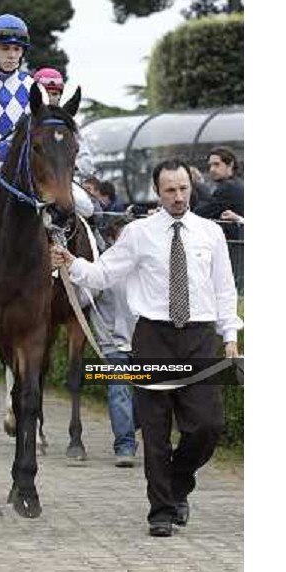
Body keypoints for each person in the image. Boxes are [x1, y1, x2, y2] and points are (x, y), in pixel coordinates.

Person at [51, 158, 242, 538]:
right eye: (170, 190)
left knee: (208, 426)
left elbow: (224, 289)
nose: (178, 197)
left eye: (184, 189)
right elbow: (103, 273)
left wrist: (231, 337)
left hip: (201, 338)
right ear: (158, 192)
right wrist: (72, 263)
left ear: (191, 187)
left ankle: (177, 480)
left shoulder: (210, 233)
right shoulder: (139, 233)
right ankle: (161, 512)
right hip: (153, 337)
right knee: (155, 431)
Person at [0, 15, 93, 240]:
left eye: (17, 49)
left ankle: (87, 244)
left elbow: (48, 135)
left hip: (30, 168)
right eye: (5, 48)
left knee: (84, 204)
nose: (12, 55)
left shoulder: (35, 89)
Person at [90, 217, 137, 467]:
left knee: (148, 395)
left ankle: (129, 424)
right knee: (119, 392)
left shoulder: (147, 263)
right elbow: (83, 297)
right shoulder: (103, 267)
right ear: (112, 240)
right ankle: (125, 446)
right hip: (112, 342)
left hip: (146, 343)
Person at [33, 67, 96, 179]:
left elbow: (88, 165)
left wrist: (66, 166)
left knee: (82, 197)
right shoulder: (23, 120)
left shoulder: (70, 124)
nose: (50, 98)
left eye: (55, 94)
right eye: (46, 93)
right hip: (27, 182)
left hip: (63, 182)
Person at [195, 146, 244, 239]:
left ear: (230, 165)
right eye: (210, 165)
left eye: (217, 164)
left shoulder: (229, 187)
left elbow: (201, 213)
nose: (212, 169)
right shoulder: (236, 183)